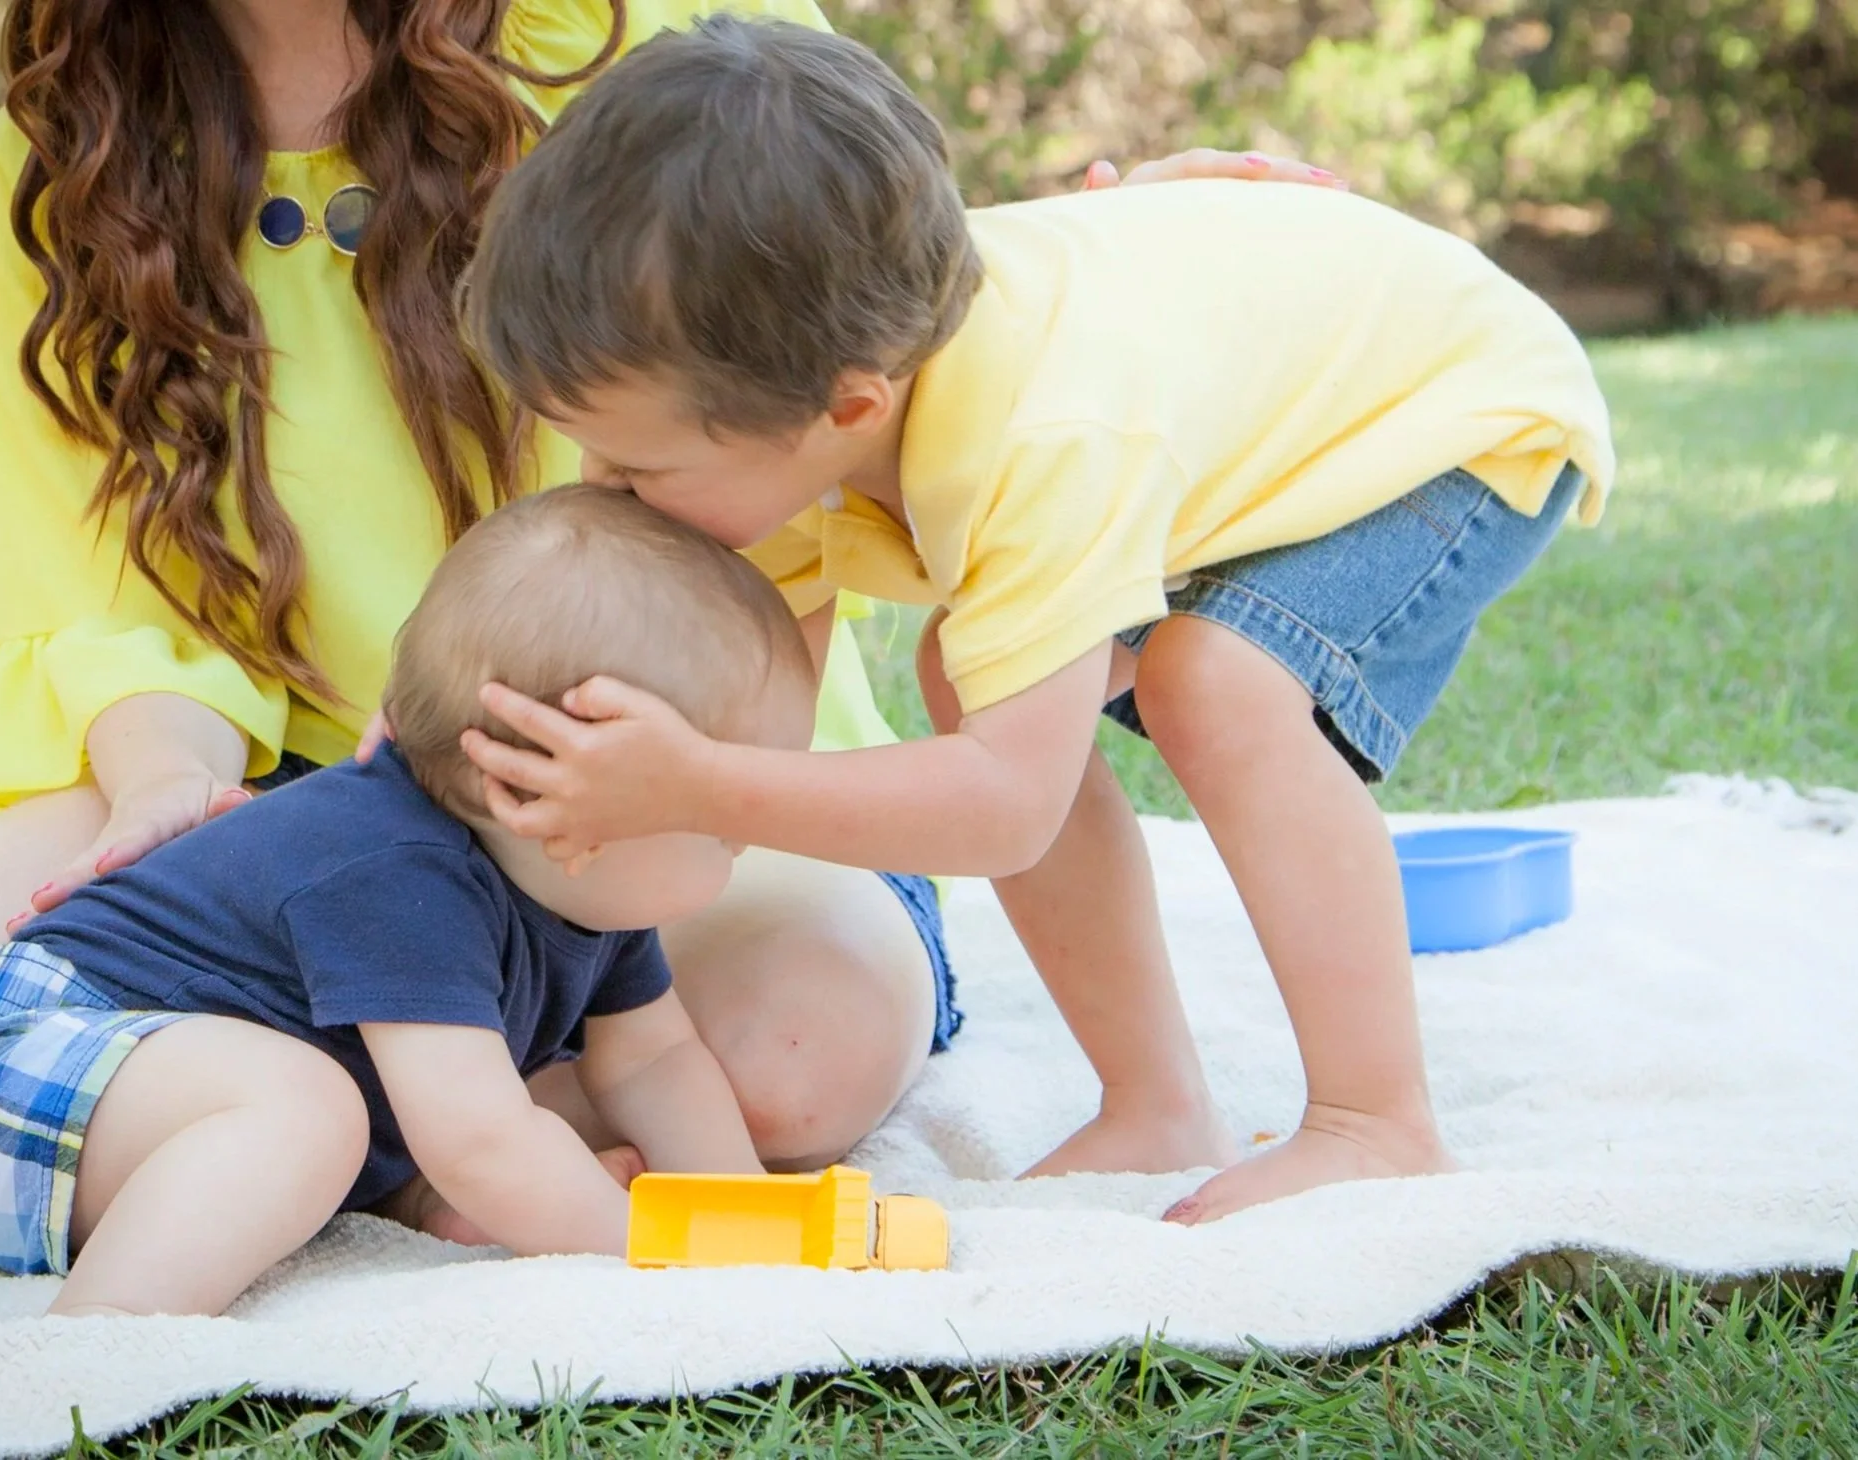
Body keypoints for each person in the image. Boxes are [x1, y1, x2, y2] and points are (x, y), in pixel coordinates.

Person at [0, 0, 1338, 1172]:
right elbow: (90, 599)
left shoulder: (641, 31)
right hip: (290, 807)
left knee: (791, 1058)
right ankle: (420, 1117)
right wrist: (162, 790)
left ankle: (324, 1123)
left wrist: (1119, 248)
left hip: (680, 795)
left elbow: (879, 291)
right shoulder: (48, 168)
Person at [452, 16, 1619, 1222]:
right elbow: (761, 719)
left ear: (846, 408)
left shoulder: (1043, 437)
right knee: (975, 678)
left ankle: (1378, 1120)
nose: (600, 490)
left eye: (636, 470)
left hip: (1447, 404)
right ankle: (1159, 1103)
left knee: (1216, 686)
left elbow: (1006, 808)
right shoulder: (792, 418)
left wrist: (696, 784)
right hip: (1240, 401)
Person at [0, 487, 810, 1316]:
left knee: (362, 1098)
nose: (746, 831)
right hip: (38, 1070)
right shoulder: (393, 868)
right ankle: (103, 1340)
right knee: (316, 1107)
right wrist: (656, 1251)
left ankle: (403, 1197)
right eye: (716, 820)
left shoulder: (587, 883)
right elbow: (483, 1141)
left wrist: (745, 1220)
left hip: (169, 1092)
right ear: (552, 802)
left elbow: (653, 1063)